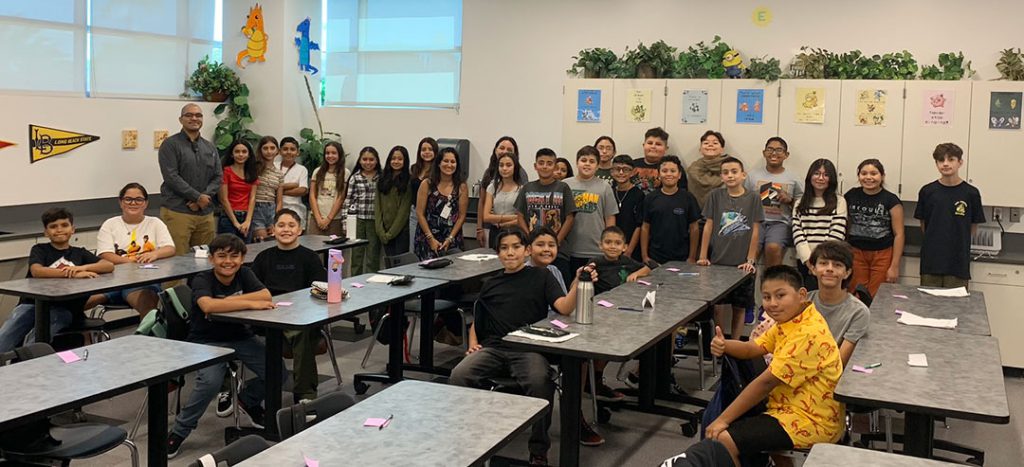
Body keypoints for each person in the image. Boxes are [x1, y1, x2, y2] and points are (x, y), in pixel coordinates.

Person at [449, 228, 596, 466]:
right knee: (458, 375)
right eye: (504, 248)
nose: (510, 253)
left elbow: (564, 307)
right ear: (498, 254)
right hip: (494, 348)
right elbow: (478, 318)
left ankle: (538, 449)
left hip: (528, 348)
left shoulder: (542, 276)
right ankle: (470, 440)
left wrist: (578, 283)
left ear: (526, 250)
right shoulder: (491, 284)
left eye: (516, 247)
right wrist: (473, 343)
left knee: (540, 381)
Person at [706, 265, 843, 467]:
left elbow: (766, 382)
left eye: (780, 295)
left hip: (813, 420)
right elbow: (752, 348)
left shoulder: (808, 333)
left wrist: (722, 420)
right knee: (739, 430)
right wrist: (725, 344)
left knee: (723, 439)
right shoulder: (791, 319)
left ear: (801, 294)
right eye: (767, 297)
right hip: (785, 407)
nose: (773, 304)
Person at [167, 234, 282, 459]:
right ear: (211, 259)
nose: (227, 261)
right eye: (221, 256)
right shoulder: (202, 279)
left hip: (241, 337)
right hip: (206, 340)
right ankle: (179, 432)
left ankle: (247, 400)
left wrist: (225, 304)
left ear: (242, 258)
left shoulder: (245, 274)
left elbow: (265, 295)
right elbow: (207, 305)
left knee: (277, 371)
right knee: (210, 382)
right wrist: (249, 302)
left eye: (234, 256)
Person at [524, 226, 606, 446]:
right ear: (528, 249)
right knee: (570, 362)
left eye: (551, 245)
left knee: (579, 359)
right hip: (531, 337)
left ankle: (573, 414)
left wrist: (578, 280)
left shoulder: (554, 271)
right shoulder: (524, 272)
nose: (546, 249)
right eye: (540, 245)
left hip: (555, 330)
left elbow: (563, 305)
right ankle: (570, 418)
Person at [0, 208, 115, 352]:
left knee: (35, 340)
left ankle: (25, 364)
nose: (59, 230)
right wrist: (71, 274)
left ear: (73, 229)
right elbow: (37, 271)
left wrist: (82, 268)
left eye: (64, 225)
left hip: (65, 309)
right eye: (53, 227)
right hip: (32, 304)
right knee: (7, 334)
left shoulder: (80, 253)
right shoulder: (40, 249)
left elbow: (108, 265)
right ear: (46, 232)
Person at [251, 209, 327, 403]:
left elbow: (321, 289)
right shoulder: (263, 258)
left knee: (301, 332)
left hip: (302, 316)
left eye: (291, 225)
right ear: (273, 230)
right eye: (281, 226)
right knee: (299, 334)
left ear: (300, 230)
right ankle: (304, 393)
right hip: (268, 317)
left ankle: (304, 394)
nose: (286, 230)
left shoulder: (309, 258)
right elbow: (252, 292)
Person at [697, 157, 763, 341]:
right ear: (721, 176)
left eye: (734, 171)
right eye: (725, 172)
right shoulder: (715, 196)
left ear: (743, 175)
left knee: (739, 308)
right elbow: (708, 227)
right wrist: (703, 256)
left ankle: (734, 346)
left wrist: (750, 260)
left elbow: (755, 231)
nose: (730, 175)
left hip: (742, 265)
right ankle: (720, 342)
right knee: (717, 307)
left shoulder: (753, 198)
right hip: (718, 264)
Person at [87, 183, 176, 318]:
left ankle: (146, 337)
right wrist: (131, 262)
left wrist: (154, 254)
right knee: (73, 304)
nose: (133, 203)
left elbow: (170, 248)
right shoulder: (110, 224)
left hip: (143, 282)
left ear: (145, 203)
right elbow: (106, 254)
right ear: (121, 202)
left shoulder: (155, 223)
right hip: (112, 282)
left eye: (138, 199)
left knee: (148, 308)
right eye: (128, 199)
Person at [915, 142, 985, 289]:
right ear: (936, 164)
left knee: (956, 306)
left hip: (958, 261)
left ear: (960, 162)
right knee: (929, 304)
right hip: (931, 260)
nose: (945, 164)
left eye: (951, 159)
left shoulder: (971, 193)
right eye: (941, 160)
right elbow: (924, 225)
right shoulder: (927, 191)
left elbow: (973, 226)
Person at [159, 103, 221, 255]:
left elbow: (218, 176)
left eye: (198, 115)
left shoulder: (209, 147)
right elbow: (171, 176)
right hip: (178, 211)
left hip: (205, 214)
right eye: (189, 115)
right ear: (181, 119)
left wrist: (202, 199)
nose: (194, 118)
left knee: (204, 261)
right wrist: (197, 197)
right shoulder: (170, 145)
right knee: (176, 262)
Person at [515, 148, 577, 284]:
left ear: (554, 167)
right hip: (533, 250)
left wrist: (556, 241)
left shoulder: (563, 188)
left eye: (549, 163)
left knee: (560, 288)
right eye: (541, 163)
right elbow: (520, 216)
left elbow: (570, 217)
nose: (545, 166)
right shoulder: (527, 188)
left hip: (559, 251)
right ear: (535, 166)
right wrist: (530, 239)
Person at [844, 159, 904, 296]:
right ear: (858, 176)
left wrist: (894, 266)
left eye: (874, 173)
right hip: (855, 253)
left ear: (882, 176)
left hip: (882, 254)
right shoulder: (851, 195)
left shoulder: (891, 200)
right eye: (864, 173)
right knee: (856, 294)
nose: (868, 177)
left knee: (877, 295)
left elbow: (899, 234)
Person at [745, 137, 803, 267]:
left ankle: (771, 282)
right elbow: (744, 199)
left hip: (780, 223)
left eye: (779, 150)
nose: (774, 153)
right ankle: (747, 282)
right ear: (764, 152)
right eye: (770, 149)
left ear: (786, 155)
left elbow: (802, 204)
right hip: (757, 222)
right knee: (752, 250)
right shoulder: (752, 176)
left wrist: (790, 200)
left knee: (773, 247)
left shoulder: (794, 178)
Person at [792, 159, 847, 290]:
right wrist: (809, 262)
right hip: (805, 262)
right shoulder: (799, 203)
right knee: (806, 301)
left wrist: (821, 262)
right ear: (810, 176)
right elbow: (797, 233)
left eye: (826, 175)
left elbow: (837, 232)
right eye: (817, 173)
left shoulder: (839, 201)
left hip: (829, 262)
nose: (821, 178)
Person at [564, 145, 618, 274]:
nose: (587, 164)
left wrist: (609, 243)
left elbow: (610, 217)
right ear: (577, 163)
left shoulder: (605, 187)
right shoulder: (565, 185)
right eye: (583, 160)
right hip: (570, 249)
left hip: (596, 249)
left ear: (598, 165)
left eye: (592, 161)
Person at [641, 155, 702, 265]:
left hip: (682, 257)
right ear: (659, 175)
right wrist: (645, 256)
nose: (669, 174)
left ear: (679, 175)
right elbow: (645, 227)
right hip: (655, 257)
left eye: (673, 171)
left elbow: (694, 228)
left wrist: (692, 257)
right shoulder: (650, 198)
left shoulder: (688, 198)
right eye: (664, 171)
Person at [415, 147, 469, 259]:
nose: (449, 165)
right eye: (445, 161)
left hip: (452, 239)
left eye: (453, 162)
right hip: (427, 238)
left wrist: (450, 238)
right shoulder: (427, 184)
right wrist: (430, 238)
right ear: (438, 163)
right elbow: (420, 213)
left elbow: (461, 216)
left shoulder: (462, 186)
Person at [476, 136, 528, 247]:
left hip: (514, 230)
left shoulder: (522, 184)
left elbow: (523, 216)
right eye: (501, 148)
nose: (504, 168)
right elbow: (483, 205)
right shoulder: (490, 179)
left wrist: (502, 221)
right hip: (492, 228)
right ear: (495, 149)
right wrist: (479, 228)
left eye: (509, 150)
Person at [346, 146, 382, 275]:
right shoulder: (355, 177)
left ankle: (371, 283)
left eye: (371, 159)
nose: (368, 162)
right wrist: (345, 223)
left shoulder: (381, 177)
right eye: (365, 159)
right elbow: (348, 201)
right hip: (358, 220)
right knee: (357, 254)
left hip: (374, 221)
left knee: (373, 255)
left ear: (376, 161)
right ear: (360, 161)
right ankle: (354, 281)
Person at [217, 140, 260, 242]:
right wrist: (235, 222)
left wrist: (248, 221)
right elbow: (223, 199)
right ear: (232, 154)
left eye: (244, 152)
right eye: (237, 151)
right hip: (228, 217)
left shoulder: (252, 172)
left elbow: (252, 198)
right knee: (228, 249)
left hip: (247, 216)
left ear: (249, 155)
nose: (240, 155)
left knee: (246, 251)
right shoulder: (226, 171)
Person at [375, 145, 413, 256]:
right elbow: (377, 206)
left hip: (400, 232)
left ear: (405, 161)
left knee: (400, 266)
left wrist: (390, 234)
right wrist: (380, 231)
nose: (396, 161)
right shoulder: (381, 179)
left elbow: (404, 211)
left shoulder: (408, 181)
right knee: (388, 265)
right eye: (393, 158)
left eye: (400, 159)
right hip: (384, 231)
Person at [481, 152, 523, 249]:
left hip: (514, 232)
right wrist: (511, 217)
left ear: (515, 167)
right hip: (495, 231)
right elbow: (486, 217)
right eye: (501, 165)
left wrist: (503, 222)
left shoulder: (521, 189)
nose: (504, 168)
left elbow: (522, 219)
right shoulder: (492, 187)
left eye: (508, 165)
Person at [308, 141, 347, 236]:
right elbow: (312, 195)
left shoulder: (345, 172)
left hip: (334, 219)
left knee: (334, 250)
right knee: (315, 248)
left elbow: (341, 198)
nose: (330, 156)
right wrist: (318, 218)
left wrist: (328, 219)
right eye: (327, 153)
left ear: (340, 155)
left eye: (334, 153)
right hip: (316, 217)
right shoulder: (317, 171)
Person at [611, 155, 645, 261]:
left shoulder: (638, 195)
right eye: (617, 169)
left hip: (631, 248)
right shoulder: (609, 191)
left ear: (632, 172)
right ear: (611, 171)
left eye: (625, 170)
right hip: (611, 246)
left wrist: (629, 250)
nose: (621, 173)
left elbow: (639, 225)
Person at [252, 136, 284, 242]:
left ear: (277, 151)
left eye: (272, 148)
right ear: (260, 150)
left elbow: (279, 200)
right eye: (265, 148)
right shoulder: (254, 168)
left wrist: (276, 219)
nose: (269, 151)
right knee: (261, 241)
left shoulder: (279, 173)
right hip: (256, 208)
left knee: (272, 242)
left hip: (272, 209)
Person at [687, 130, 728, 209]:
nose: (710, 145)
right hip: (696, 214)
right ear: (700, 149)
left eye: (715, 143)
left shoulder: (731, 166)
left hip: (724, 212)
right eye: (706, 143)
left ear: (722, 149)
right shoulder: (693, 168)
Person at [410, 137, 438, 251]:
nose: (426, 152)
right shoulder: (414, 169)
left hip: (430, 214)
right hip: (414, 212)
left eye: (430, 149)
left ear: (435, 152)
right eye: (423, 149)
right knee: (414, 247)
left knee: (429, 248)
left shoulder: (438, 171)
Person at [276, 136, 310, 229]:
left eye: (292, 149)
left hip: (295, 210)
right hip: (275, 210)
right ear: (279, 151)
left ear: (297, 152)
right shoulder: (274, 166)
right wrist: (293, 185)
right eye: (285, 149)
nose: (289, 152)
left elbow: (302, 190)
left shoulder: (302, 169)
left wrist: (279, 190)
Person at [633, 127, 675, 193]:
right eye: (650, 143)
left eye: (658, 144)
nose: (653, 146)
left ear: (666, 148)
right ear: (644, 145)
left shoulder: (673, 168)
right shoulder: (632, 165)